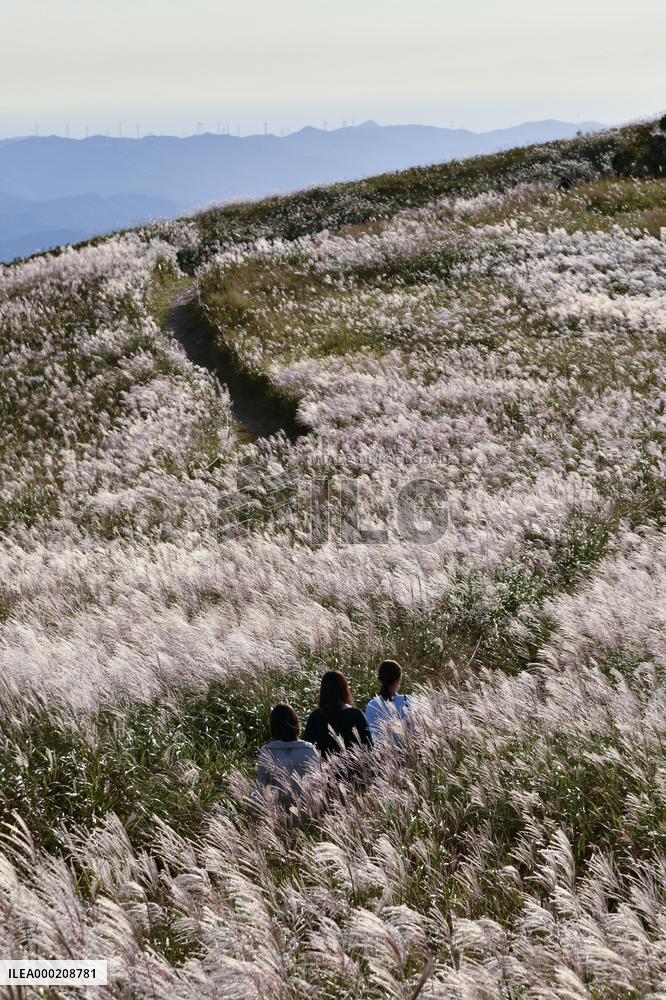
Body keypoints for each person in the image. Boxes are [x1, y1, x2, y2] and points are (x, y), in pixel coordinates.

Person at [303, 670, 373, 758]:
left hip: (323, 769)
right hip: (353, 769)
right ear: (344, 689)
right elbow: (368, 746)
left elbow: (306, 747)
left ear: (323, 690)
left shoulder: (316, 716)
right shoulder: (356, 714)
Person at [257, 704, 320, 796]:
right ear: (296, 723)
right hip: (306, 808)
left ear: (273, 726)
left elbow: (260, 787)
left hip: (275, 808)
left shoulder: (267, 751)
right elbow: (317, 787)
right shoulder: (309, 749)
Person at [365, 660, 410, 741]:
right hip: (408, 751)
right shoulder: (407, 700)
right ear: (398, 679)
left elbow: (372, 736)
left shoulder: (372, 705)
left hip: (382, 752)